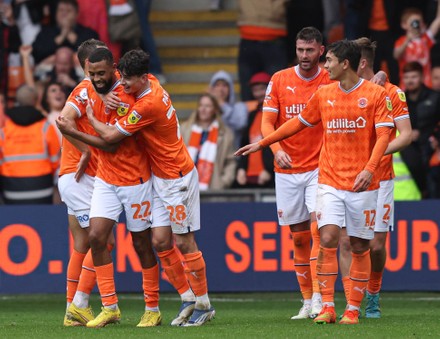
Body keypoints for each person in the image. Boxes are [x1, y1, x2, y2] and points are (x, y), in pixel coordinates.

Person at [235, 39, 394, 325]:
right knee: (328, 237)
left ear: (345, 63)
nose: (325, 66)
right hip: (329, 180)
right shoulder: (324, 94)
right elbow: (297, 123)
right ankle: (328, 307)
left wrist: (370, 169)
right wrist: (264, 143)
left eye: (329, 60)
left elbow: (384, 136)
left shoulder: (374, 95)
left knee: (359, 245)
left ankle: (353, 309)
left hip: (362, 182)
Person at [74, 49, 215, 327]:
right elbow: (113, 83)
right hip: (159, 177)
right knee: (161, 242)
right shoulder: (149, 81)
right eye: (122, 78)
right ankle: (187, 297)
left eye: (127, 80)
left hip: (177, 178)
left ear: (141, 78)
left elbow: (112, 136)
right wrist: (103, 94)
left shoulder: (148, 105)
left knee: (184, 241)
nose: (123, 85)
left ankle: (204, 304)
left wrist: (90, 117)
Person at [58, 47, 162, 328]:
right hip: (105, 177)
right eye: (91, 73)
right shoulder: (88, 88)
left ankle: (152, 307)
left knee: (141, 244)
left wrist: (85, 128)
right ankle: (109, 306)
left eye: (101, 73)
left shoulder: (127, 93)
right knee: (96, 236)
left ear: (113, 69)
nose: (96, 78)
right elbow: (65, 116)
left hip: (134, 178)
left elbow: (112, 142)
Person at [338, 37, 412, 319]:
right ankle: (351, 302)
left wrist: (376, 151)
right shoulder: (341, 92)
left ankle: (374, 292)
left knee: (375, 245)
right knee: (346, 242)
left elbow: (405, 135)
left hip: (380, 178)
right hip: (346, 177)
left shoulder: (392, 92)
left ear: (362, 63)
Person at [261, 27, 331, 320]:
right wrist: (277, 150)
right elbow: (267, 125)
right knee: (299, 238)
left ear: (321, 51)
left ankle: (319, 296)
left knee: (318, 230)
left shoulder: (330, 78)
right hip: (286, 168)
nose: (304, 56)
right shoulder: (278, 80)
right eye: (300, 50)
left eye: (310, 50)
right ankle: (305, 300)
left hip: (319, 166)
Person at [54, 38, 115, 327]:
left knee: (81, 244)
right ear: (88, 65)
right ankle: (79, 303)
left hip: (78, 177)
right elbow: (62, 120)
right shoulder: (82, 90)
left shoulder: (93, 91)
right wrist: (86, 151)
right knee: (103, 240)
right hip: (78, 177)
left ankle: (72, 308)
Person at [0, 85, 61, 204]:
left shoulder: (4, 128)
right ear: (35, 101)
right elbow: (56, 161)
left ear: (17, 101)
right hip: (43, 188)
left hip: (11, 190)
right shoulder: (46, 126)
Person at [181, 93, 237, 190]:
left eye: (207, 106)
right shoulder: (184, 129)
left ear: (215, 110)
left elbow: (230, 162)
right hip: (186, 187)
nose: (203, 109)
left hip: (213, 188)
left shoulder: (225, 134)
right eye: (201, 105)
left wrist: (223, 182)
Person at [401, 61, 440, 198]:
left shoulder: (435, 97)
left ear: (422, 77)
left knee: (433, 193)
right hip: (408, 154)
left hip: (431, 152)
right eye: (407, 77)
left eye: (414, 77)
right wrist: (408, 134)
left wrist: (436, 139)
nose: (410, 81)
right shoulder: (400, 99)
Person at [237, 0, 289, 101]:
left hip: (273, 38)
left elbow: (276, 12)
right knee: (248, 90)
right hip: (251, 37)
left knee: (277, 89)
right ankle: (251, 116)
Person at [236, 72, 274, 189]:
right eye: (255, 90)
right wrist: (241, 168)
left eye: (262, 89)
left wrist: (269, 170)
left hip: (268, 178)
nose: (259, 94)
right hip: (249, 177)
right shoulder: (252, 115)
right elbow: (245, 143)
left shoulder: (277, 115)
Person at [32, 0, 99, 66]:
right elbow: (36, 54)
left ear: (76, 14)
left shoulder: (88, 32)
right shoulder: (45, 32)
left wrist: (69, 33)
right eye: (61, 10)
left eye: (68, 11)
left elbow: (94, 55)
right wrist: (61, 37)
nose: (64, 14)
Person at [393, 4, 440, 88]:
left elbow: (438, 19)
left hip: (425, 84)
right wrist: (408, 39)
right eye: (413, 22)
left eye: (419, 21)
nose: (416, 24)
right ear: (404, 24)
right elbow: (396, 55)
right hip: (406, 85)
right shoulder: (401, 41)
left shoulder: (426, 39)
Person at [209, 70, 248, 148]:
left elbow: (240, 124)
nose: (221, 89)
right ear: (212, 89)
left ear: (230, 89)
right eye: (217, 85)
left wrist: (221, 104)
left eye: (225, 85)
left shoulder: (240, 107)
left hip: (232, 156)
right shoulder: (208, 108)